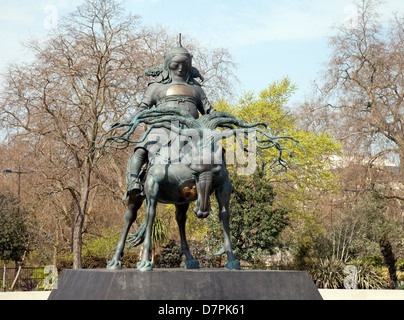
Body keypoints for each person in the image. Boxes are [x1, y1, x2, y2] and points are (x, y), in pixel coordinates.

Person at [124, 40, 215, 199]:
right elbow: (142, 107)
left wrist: (219, 120)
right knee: (140, 150)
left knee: (216, 150)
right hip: (163, 128)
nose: (180, 69)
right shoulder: (157, 86)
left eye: (185, 65)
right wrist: (130, 121)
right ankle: (133, 182)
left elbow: (209, 110)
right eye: (176, 64)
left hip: (191, 131)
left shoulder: (196, 88)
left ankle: (220, 182)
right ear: (168, 64)